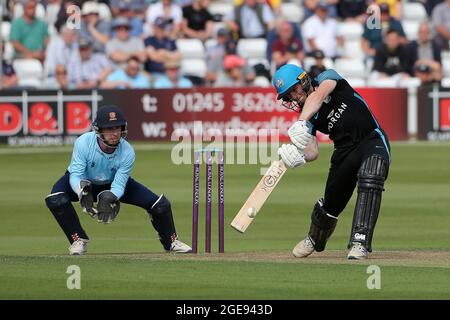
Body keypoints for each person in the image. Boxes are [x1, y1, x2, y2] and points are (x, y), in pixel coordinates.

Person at [273, 64, 391, 260]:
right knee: (331, 203)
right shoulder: (308, 118)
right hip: (344, 151)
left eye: (294, 90)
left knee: (371, 175)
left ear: (304, 80)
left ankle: (360, 242)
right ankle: (314, 237)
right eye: (287, 96)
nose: (293, 97)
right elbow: (312, 151)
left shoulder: (327, 78)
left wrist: (301, 121)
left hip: (371, 139)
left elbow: (318, 97)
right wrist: (299, 157)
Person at [45, 105, 192, 255]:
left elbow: (120, 183)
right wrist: (81, 191)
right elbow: (75, 174)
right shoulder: (83, 142)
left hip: (112, 182)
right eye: (109, 129)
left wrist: (112, 196)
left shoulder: (127, 151)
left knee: (160, 205)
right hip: (83, 181)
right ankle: (78, 240)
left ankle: (171, 242)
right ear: (98, 129)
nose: (114, 133)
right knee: (56, 200)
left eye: (117, 128)